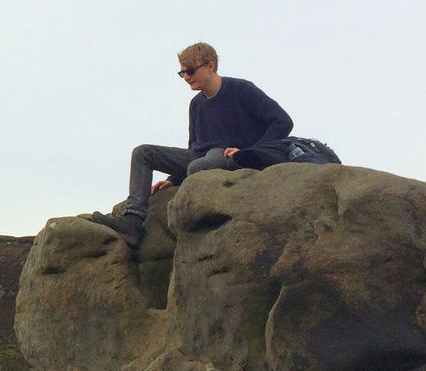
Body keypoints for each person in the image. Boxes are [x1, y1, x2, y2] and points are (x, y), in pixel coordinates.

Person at [87, 42, 293, 246]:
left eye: (190, 71)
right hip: (202, 156)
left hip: (229, 156)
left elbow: (283, 122)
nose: (186, 77)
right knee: (143, 153)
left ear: (210, 66)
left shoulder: (241, 89)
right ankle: (133, 221)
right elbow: (194, 147)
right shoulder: (196, 104)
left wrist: (250, 152)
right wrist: (174, 178)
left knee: (197, 166)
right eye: (182, 73)